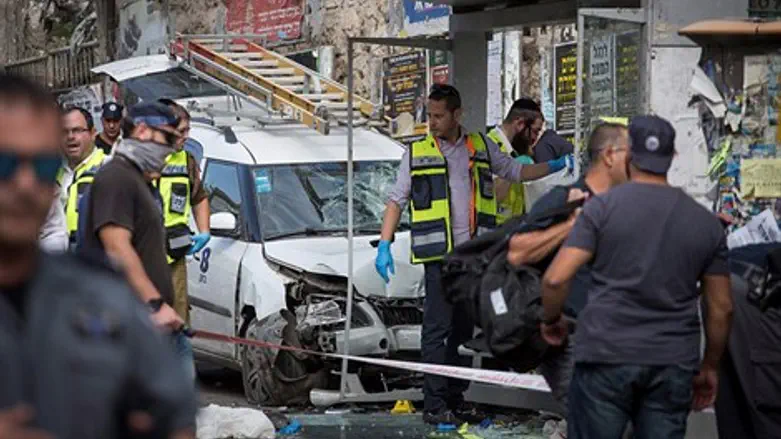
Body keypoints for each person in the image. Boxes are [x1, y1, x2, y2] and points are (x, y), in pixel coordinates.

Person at [0, 72, 196, 439]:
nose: (25, 185)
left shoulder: (105, 304)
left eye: (43, 168)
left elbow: (175, 419)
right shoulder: (118, 178)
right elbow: (117, 243)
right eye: (6, 165)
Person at [376, 84, 572, 425]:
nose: (432, 122)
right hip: (440, 259)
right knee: (436, 332)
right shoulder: (417, 151)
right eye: (429, 115)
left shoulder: (479, 146)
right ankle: (435, 404)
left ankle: (456, 397)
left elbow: (517, 172)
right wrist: (384, 243)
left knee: (462, 333)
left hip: (473, 262)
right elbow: (396, 200)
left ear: (457, 114)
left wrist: (557, 165)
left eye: (438, 116)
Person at [540, 115, 733, 439]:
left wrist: (551, 320)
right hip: (671, 361)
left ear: (629, 156)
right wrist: (710, 365)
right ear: (672, 157)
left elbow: (555, 279)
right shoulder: (705, 224)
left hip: (605, 355)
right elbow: (722, 307)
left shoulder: (600, 210)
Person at [82, 102, 186, 335]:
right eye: (167, 139)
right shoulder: (117, 177)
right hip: (125, 321)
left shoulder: (138, 180)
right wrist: (155, 304)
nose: (169, 151)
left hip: (143, 323)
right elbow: (116, 247)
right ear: (142, 131)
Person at [155, 98, 212, 378]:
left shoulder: (186, 161)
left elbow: (199, 197)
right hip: (141, 255)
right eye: (182, 131)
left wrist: (204, 232)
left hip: (174, 255)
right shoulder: (140, 159)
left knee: (177, 323)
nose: (186, 137)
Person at [487, 98, 544, 224]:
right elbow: (494, 195)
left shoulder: (513, 151)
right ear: (519, 123)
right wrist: (513, 169)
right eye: (535, 131)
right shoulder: (490, 147)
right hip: (494, 232)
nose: (535, 138)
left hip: (511, 230)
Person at [57, 106, 107, 244]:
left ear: (93, 133)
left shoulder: (108, 169)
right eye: (64, 132)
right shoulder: (54, 174)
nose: (70, 136)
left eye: (77, 130)